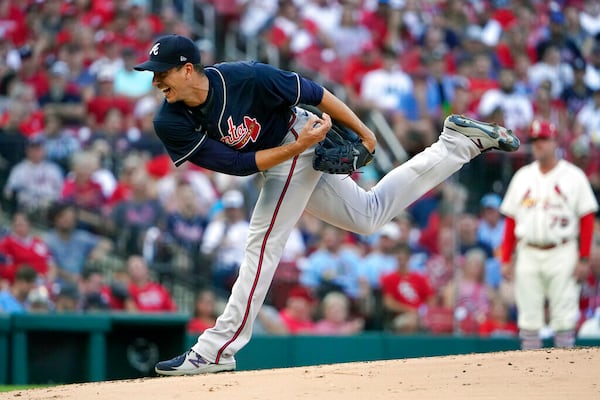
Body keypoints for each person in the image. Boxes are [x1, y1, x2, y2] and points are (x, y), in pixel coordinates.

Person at [133, 34, 519, 375]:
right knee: (368, 216)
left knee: (261, 244)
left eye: (160, 72)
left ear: (187, 70)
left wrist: (365, 132)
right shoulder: (170, 121)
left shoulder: (244, 76)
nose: (155, 81)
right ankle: (457, 144)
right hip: (290, 149)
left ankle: (216, 349)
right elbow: (235, 165)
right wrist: (297, 148)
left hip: (300, 133)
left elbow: (314, 93)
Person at [499, 120, 598, 350]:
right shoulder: (523, 176)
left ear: (555, 142)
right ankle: (532, 378)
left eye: (543, 139)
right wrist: (506, 258)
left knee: (564, 319)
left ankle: (564, 376)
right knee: (528, 320)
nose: (538, 145)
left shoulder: (573, 176)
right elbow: (511, 220)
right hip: (528, 251)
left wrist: (583, 258)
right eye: (534, 140)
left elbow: (586, 218)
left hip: (562, 250)